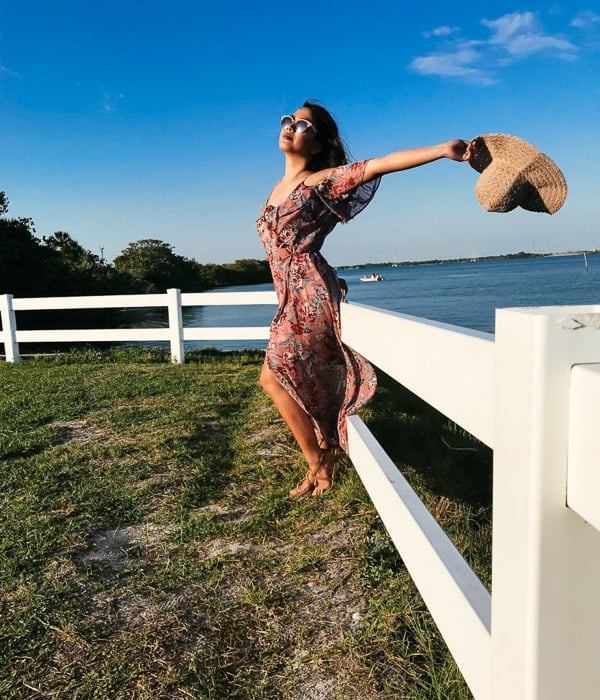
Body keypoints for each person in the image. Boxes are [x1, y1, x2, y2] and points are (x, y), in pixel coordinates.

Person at [256, 100, 472, 497]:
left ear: (319, 144)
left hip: (309, 291)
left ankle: (321, 462)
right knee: (294, 378)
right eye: (288, 120)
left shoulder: (321, 181)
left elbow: (378, 164)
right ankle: (323, 453)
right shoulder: (276, 188)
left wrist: (442, 150)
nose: (290, 126)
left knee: (272, 376)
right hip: (288, 295)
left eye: (303, 125)